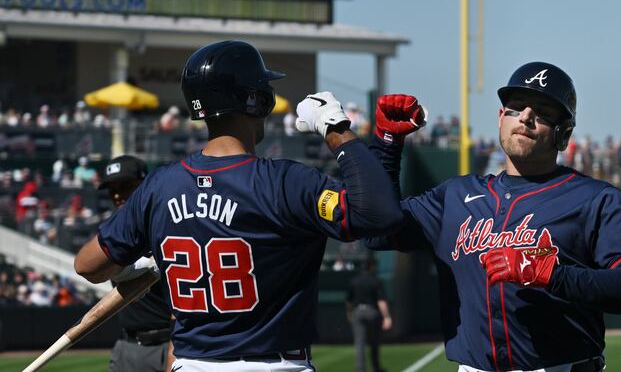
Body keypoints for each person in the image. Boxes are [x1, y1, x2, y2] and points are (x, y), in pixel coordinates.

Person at [74, 40, 404, 372]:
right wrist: (334, 128)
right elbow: (379, 213)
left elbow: (88, 265)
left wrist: (143, 262)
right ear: (256, 99)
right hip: (275, 365)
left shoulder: (158, 186)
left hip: (191, 364)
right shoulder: (285, 181)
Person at [367, 62, 621, 372]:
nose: (525, 116)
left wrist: (554, 275)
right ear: (500, 119)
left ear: (563, 133)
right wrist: (386, 146)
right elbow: (376, 229)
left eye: (543, 111)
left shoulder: (596, 199)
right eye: (515, 108)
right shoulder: (455, 196)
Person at [97, 155, 175, 372]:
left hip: (167, 341)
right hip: (128, 345)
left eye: (125, 186)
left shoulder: (165, 224)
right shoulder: (113, 233)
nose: (117, 194)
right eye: (111, 189)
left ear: (144, 183)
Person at [346, 259, 392, 372]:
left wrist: (349, 313)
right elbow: (381, 301)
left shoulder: (354, 281)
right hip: (372, 313)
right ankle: (376, 368)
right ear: (370, 267)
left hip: (358, 312)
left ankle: (360, 370)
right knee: (374, 342)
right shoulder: (375, 281)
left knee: (360, 343)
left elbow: (349, 301)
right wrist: (387, 317)